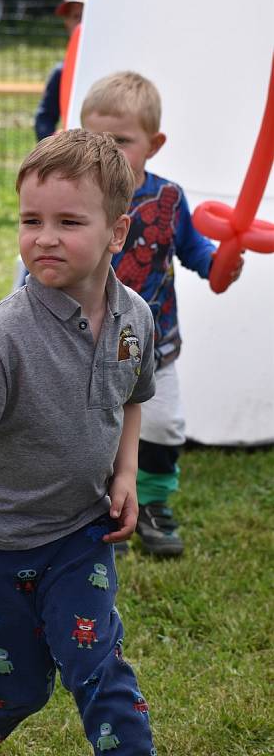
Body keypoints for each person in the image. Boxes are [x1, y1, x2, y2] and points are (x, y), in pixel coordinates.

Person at [0, 129, 157, 756]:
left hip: (81, 531)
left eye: (68, 221)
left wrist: (127, 473)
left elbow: (132, 394)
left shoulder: (136, 317)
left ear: (117, 232)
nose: (44, 237)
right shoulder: (4, 334)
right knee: (15, 689)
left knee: (100, 667)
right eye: (31, 220)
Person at [81, 71, 243, 557]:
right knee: (95, 427)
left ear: (154, 144)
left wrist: (219, 264)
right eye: (95, 138)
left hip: (154, 343)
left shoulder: (169, 199)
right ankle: (107, 505)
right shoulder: (80, 195)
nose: (106, 150)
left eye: (122, 141)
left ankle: (151, 502)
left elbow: (194, 251)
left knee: (164, 425)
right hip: (88, 343)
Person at [34, 0, 88, 141]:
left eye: (86, 15)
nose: (81, 24)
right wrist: (53, 142)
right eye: (75, 17)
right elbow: (44, 119)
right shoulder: (62, 72)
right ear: (67, 23)